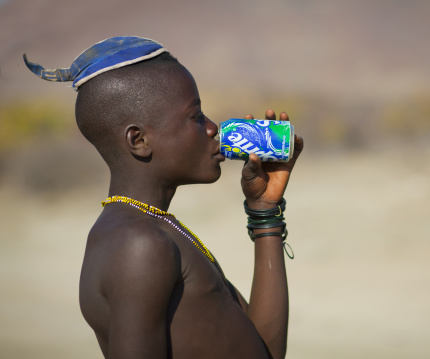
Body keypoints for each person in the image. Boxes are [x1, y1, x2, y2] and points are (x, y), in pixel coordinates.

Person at [24, 36, 303, 359]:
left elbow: (265, 352)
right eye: (196, 116)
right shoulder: (139, 244)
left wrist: (264, 210)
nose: (214, 128)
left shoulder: (154, 230)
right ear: (139, 140)